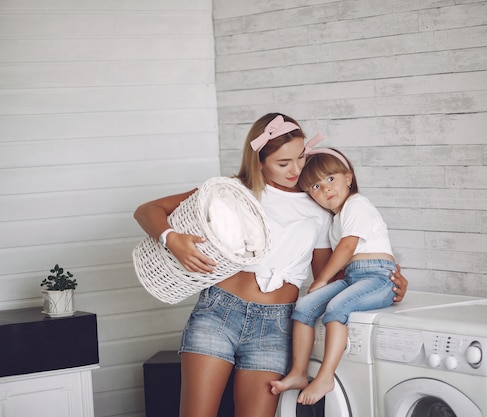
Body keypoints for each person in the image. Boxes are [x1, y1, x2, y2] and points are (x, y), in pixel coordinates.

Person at [133, 113, 409, 417]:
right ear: (260, 161)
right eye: (283, 163)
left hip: (276, 326)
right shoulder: (233, 191)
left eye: (301, 157)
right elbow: (148, 210)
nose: (296, 170)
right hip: (218, 314)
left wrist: (383, 284)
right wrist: (171, 238)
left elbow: (331, 278)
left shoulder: (319, 208)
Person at [269, 142, 396, 405]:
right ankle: (298, 372)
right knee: (304, 306)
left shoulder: (357, 205)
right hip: (353, 278)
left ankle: (326, 376)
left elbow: (348, 247)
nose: (325, 188)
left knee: (338, 307)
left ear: (348, 177)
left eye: (330, 178)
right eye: (315, 186)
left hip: (378, 278)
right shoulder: (334, 220)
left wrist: (322, 279)